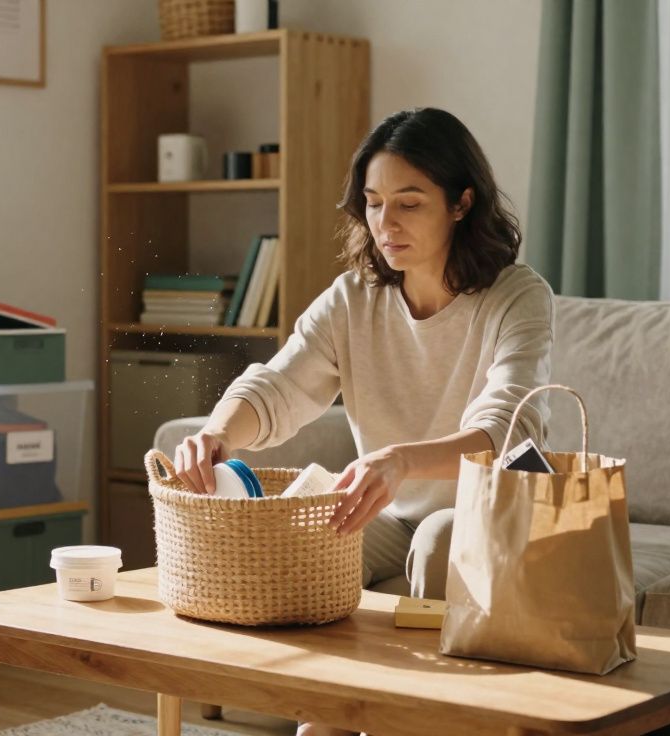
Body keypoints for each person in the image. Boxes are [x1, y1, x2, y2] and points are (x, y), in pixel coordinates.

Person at [174, 108, 554, 735]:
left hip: (492, 514)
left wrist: (401, 459)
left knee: (438, 540)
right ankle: (329, 714)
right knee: (304, 540)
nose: (386, 223)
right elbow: (279, 385)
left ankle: (410, 717)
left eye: (408, 203)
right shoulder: (354, 298)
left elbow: (509, 428)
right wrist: (217, 433)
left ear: (461, 203)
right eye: (374, 203)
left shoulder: (517, 296)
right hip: (392, 512)